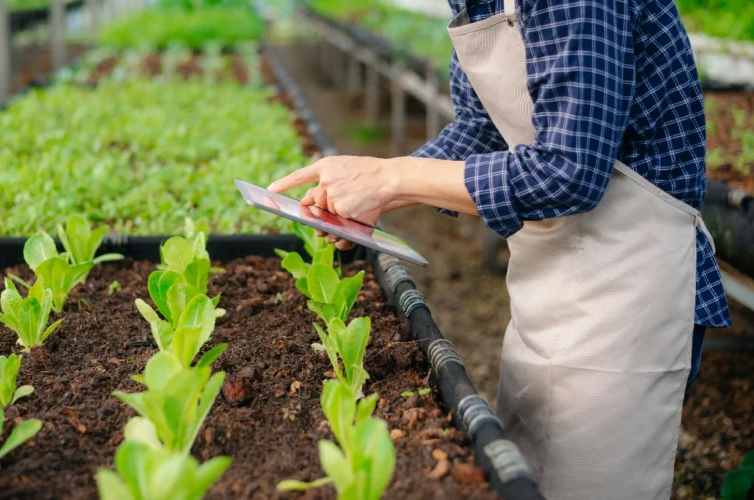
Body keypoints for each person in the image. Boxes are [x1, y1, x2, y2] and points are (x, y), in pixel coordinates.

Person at [267, 0, 732, 498]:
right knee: (527, 466)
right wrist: (380, 193)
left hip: (630, 282)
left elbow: (567, 171)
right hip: (551, 275)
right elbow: (481, 129)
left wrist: (391, 177)